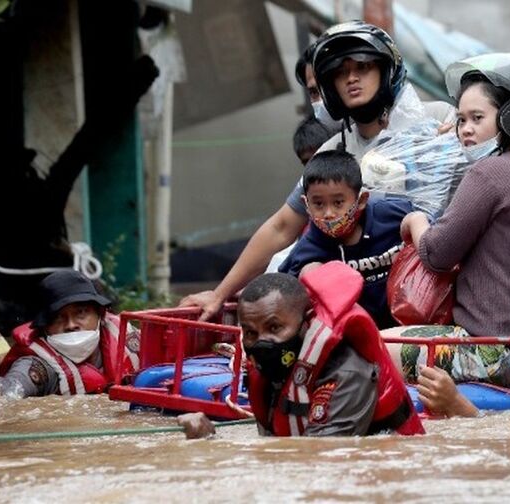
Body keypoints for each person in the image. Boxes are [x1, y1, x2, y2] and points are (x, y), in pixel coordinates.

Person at [180, 21, 454, 322]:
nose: (351, 78)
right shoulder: (333, 152)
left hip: (437, 298)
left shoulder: (438, 121)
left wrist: (465, 136)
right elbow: (281, 227)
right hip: (360, 312)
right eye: (339, 72)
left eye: (362, 67)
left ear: (386, 70)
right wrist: (219, 294)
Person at [397, 53, 510, 413]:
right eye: (460, 119)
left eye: (477, 118)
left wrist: (415, 221)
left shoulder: (488, 174)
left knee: (369, 343)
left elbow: (437, 254)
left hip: (504, 354)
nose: (464, 130)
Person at [181, 264, 424, 438]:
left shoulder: (347, 374)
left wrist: (213, 445)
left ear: (306, 323)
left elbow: (313, 464)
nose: (262, 343)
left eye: (274, 327)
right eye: (251, 333)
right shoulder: (275, 371)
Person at [278, 149, 412, 328]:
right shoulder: (308, 249)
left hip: (410, 325)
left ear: (362, 200)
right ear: (306, 204)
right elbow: (283, 292)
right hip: (354, 337)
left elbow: (433, 236)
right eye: (318, 204)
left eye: (338, 203)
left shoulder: (395, 215)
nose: (328, 214)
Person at [0, 270, 140, 406]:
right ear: (44, 328)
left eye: (80, 312)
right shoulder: (39, 364)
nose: (71, 325)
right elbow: (13, 386)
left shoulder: (129, 338)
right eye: (57, 318)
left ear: (100, 315)